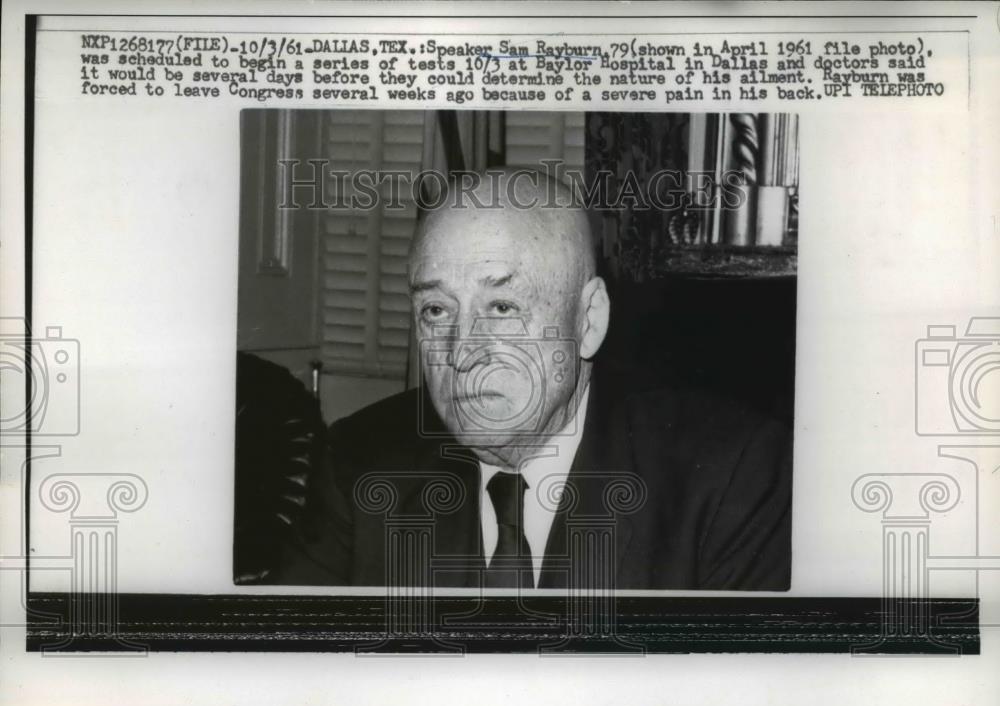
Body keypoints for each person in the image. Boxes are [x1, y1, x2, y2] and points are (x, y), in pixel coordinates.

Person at [278, 171, 792, 590]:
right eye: (435, 309)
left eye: (502, 307)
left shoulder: (731, 476)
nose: (461, 352)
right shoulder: (359, 463)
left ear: (587, 321)